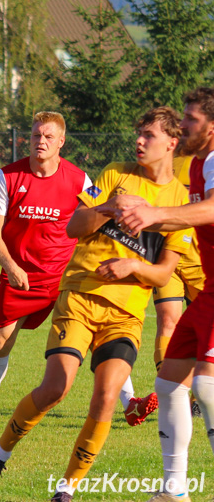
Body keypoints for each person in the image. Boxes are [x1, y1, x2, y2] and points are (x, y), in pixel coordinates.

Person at [0, 107, 193, 502]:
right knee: (56, 387)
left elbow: (163, 274)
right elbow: (75, 227)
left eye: (148, 135)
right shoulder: (115, 174)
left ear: (171, 144)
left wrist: (132, 265)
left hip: (125, 315)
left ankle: (66, 490)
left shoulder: (179, 202)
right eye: (138, 133)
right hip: (79, 297)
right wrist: (107, 208)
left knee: (107, 397)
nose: (139, 141)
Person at [109, 89, 214, 502]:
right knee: (170, 383)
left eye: (190, 118)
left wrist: (155, 214)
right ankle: (173, 489)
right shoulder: (199, 165)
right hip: (210, 292)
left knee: (206, 385)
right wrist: (132, 211)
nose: (183, 124)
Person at [0, 111, 91, 423]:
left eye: (49, 137)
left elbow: (98, 216)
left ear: (61, 142)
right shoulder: (8, 176)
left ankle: (129, 399)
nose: (41, 141)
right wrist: (10, 266)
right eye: (37, 135)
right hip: (21, 274)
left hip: (66, 276)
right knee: (0, 342)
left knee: (93, 335)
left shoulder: (80, 179)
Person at [118, 151, 206, 428]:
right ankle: (172, 392)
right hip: (168, 256)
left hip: (202, 259)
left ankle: (195, 394)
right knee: (168, 321)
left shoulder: (208, 162)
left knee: (208, 331)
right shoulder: (164, 165)